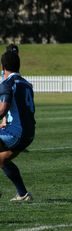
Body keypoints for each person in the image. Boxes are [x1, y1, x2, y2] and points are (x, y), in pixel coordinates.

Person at [0, 48, 36, 201]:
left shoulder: (8, 83)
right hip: (29, 133)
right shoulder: (26, 84)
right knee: (2, 159)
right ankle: (23, 194)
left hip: (16, 133)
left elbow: (3, 108)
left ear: (3, 67)